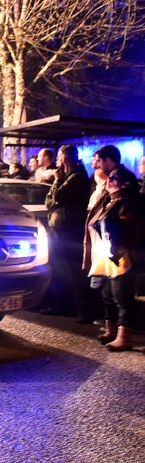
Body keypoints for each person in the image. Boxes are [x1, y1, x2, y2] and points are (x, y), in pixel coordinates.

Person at [84, 145, 142, 351]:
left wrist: (117, 248)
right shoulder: (111, 199)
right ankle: (111, 330)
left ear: (124, 184)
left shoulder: (127, 201)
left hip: (121, 254)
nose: (109, 180)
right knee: (107, 292)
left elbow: (126, 228)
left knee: (122, 295)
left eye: (113, 179)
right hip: (107, 254)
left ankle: (124, 337)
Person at [42, 144, 91, 319]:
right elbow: (49, 202)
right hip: (59, 228)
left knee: (72, 269)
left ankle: (82, 308)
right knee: (59, 268)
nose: (56, 161)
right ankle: (62, 304)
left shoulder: (77, 176)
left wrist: (56, 181)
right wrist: (57, 188)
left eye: (58, 157)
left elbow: (58, 197)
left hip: (69, 229)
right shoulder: (66, 176)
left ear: (65, 158)